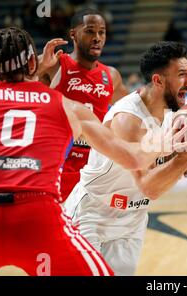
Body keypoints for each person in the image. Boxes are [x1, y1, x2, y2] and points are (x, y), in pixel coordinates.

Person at [0, 27, 176, 276]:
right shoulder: (69, 107)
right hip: (37, 215)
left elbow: (13, 95)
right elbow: (133, 158)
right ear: (33, 62)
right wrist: (169, 142)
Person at [64, 41, 187, 276]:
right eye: (182, 75)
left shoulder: (174, 113)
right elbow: (149, 186)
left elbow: (164, 168)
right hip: (93, 213)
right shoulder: (128, 119)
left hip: (132, 218)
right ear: (158, 80)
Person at [38, 8, 129, 201]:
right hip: (57, 162)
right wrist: (41, 66)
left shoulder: (111, 75)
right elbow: (13, 85)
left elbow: (135, 112)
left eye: (101, 32)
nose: (97, 37)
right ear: (73, 34)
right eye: (89, 31)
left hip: (94, 168)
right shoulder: (55, 64)